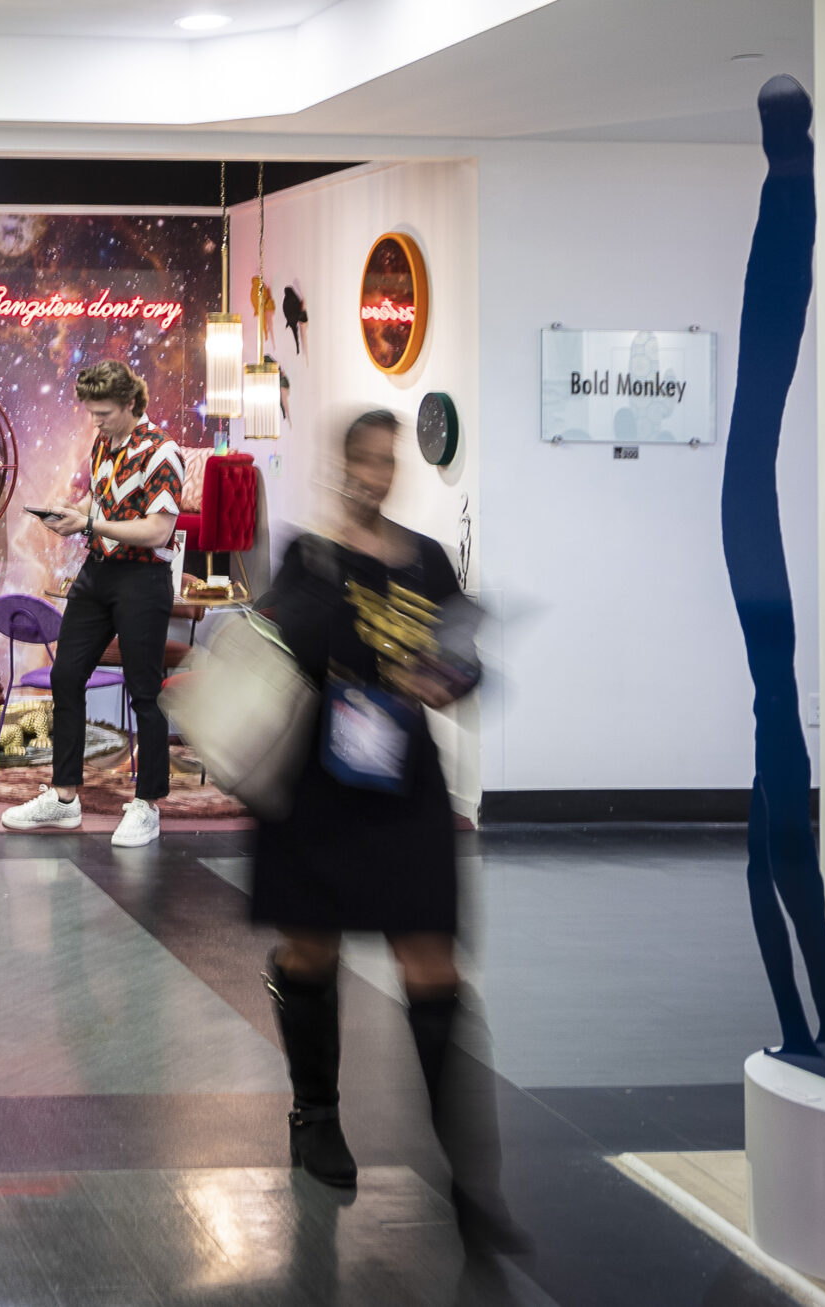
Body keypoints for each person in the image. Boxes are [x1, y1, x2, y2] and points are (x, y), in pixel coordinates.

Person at [253, 408, 520, 1251]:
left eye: (386, 461)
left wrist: (450, 677)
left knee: (433, 969)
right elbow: (274, 646)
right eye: (361, 460)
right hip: (319, 788)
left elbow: (466, 657)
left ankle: (474, 1183)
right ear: (340, 465)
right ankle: (316, 1114)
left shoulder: (429, 559)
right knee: (311, 953)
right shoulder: (310, 555)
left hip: (403, 787)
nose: (374, 474)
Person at [7, 359, 181, 848]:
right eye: (91, 412)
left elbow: (158, 530)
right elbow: (101, 504)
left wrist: (89, 525)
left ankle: (147, 806)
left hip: (144, 579)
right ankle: (64, 800)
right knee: (65, 675)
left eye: (104, 412)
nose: (96, 421)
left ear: (130, 403)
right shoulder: (105, 441)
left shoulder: (162, 452)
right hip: (98, 573)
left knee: (145, 690)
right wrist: (74, 512)